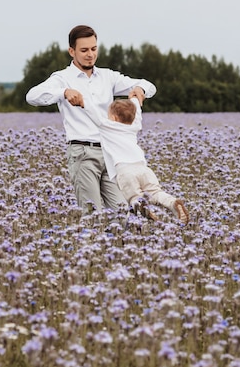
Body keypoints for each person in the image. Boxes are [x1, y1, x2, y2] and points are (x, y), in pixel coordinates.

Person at [26, 24, 157, 214]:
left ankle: (116, 243)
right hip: (82, 153)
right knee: (92, 213)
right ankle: (88, 242)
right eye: (84, 50)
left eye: (94, 49)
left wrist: (140, 90)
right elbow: (32, 96)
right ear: (72, 51)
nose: (90, 54)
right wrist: (63, 92)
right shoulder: (62, 78)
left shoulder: (107, 76)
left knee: (123, 212)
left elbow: (148, 85)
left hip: (110, 153)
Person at [84, 97, 189, 225]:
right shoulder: (134, 126)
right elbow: (137, 114)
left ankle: (143, 209)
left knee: (133, 197)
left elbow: (95, 116)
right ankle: (172, 202)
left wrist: (83, 102)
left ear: (115, 118)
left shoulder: (108, 127)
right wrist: (135, 99)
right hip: (143, 168)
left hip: (125, 170)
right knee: (156, 192)